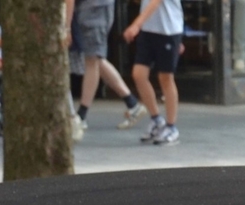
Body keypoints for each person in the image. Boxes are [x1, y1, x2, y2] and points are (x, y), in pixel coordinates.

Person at [64, 0, 139, 133]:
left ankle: (82, 115)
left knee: (92, 60)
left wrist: (67, 26)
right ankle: (131, 102)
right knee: (96, 58)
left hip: (93, 11)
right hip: (93, 10)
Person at [121, 0, 180, 145]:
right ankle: (156, 120)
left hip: (168, 30)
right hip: (149, 30)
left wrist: (136, 25)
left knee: (165, 77)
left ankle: (171, 127)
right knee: (138, 74)